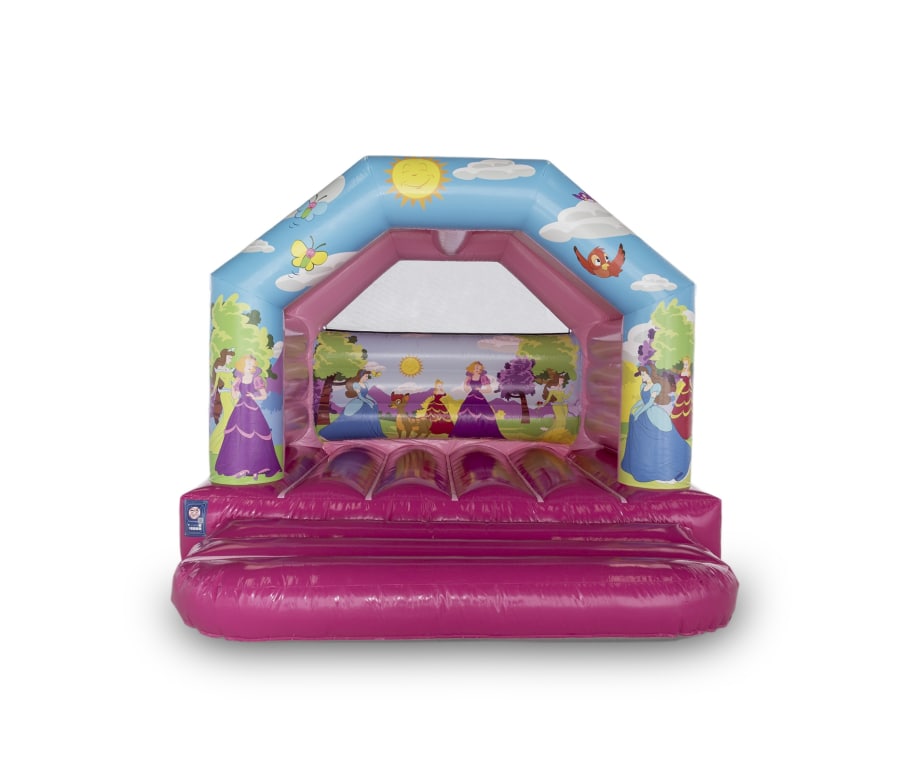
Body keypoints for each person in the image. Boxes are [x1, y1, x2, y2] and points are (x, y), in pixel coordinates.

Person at [214, 354, 282, 480]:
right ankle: (242, 468)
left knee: (256, 438)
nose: (251, 366)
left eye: (252, 364)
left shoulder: (257, 378)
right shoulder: (239, 378)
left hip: (252, 410)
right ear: (243, 364)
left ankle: (256, 469)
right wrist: (233, 388)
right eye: (249, 364)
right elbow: (235, 396)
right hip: (240, 409)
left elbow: (264, 395)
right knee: (238, 438)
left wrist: (254, 396)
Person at [620, 365, 691, 483]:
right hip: (644, 410)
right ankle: (637, 461)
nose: (642, 377)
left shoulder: (655, 387)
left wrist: (638, 412)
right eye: (641, 375)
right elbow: (642, 401)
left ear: (648, 374)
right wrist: (633, 409)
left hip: (651, 411)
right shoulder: (643, 386)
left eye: (643, 374)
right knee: (635, 426)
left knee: (660, 432)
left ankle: (664, 462)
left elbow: (649, 403)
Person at [318, 369, 386, 440]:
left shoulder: (366, 384)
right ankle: (329, 433)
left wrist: (373, 401)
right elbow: (360, 396)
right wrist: (368, 402)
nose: (367, 378)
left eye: (367, 376)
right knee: (350, 416)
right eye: (366, 376)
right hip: (359, 401)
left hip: (365, 399)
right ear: (361, 376)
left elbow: (367, 394)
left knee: (374, 407)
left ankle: (369, 430)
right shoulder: (356, 385)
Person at [449, 361, 503, 439]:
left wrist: (481, 390)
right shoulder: (469, 377)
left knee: (484, 414)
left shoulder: (483, 377)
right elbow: (466, 389)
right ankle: (468, 432)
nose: (478, 370)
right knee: (466, 414)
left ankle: (482, 432)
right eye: (476, 368)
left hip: (479, 397)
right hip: (470, 397)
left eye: (480, 369)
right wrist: (465, 384)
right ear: (472, 368)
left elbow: (489, 389)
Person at [209, 348, 235, 453]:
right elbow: (216, 382)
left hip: (232, 395)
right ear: (225, 357)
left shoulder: (228, 369)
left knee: (232, 417)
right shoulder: (219, 369)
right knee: (228, 417)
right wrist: (213, 392)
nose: (230, 360)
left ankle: (228, 443)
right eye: (229, 358)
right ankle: (216, 443)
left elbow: (233, 381)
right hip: (225, 394)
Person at [671, 357, 693, 440]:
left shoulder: (688, 372)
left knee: (685, 406)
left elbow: (689, 381)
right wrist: (678, 386)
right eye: (684, 364)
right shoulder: (683, 371)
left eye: (686, 364)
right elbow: (680, 380)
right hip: (682, 389)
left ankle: (683, 429)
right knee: (680, 404)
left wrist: (691, 388)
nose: (685, 366)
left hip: (686, 390)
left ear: (689, 364)